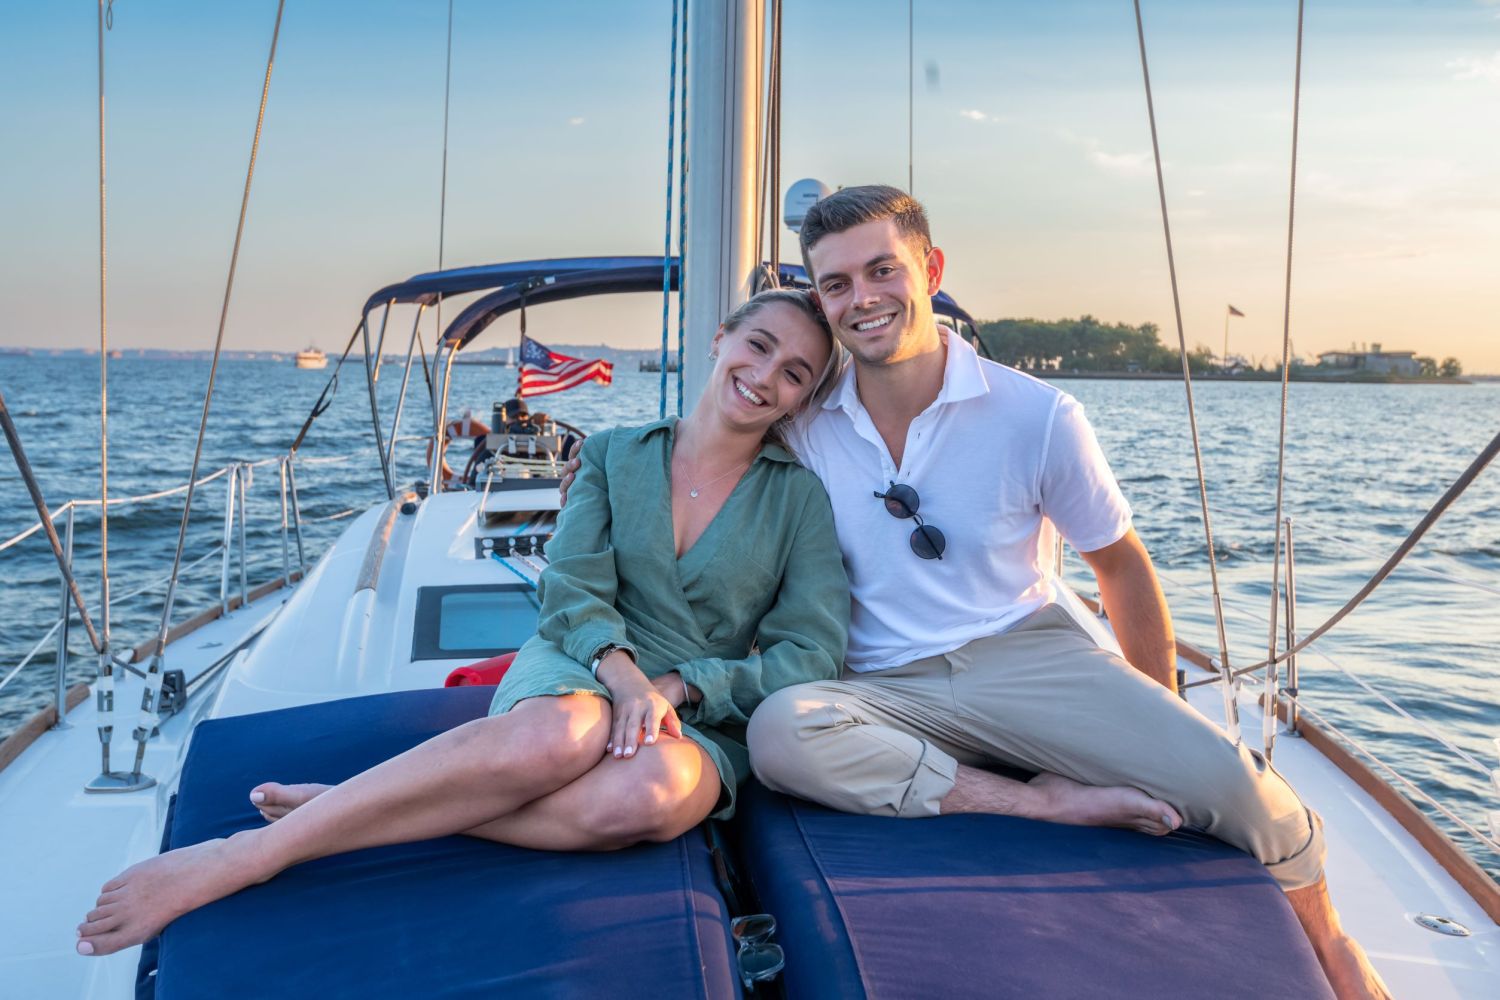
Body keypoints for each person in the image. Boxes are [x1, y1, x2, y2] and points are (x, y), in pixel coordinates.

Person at [739, 186, 1389, 1000]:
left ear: (930, 269)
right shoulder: (802, 425)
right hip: (877, 682)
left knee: (1249, 794)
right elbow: (706, 463)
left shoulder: (1037, 415)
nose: (862, 299)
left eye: (882, 270)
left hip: (1025, 656)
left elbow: (1118, 565)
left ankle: (1332, 950)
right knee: (781, 734)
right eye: (836, 284)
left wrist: (1158, 716)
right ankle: (1041, 803)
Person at [74, 288, 850, 958]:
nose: (765, 377)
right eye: (758, 345)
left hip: (699, 709)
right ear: (721, 340)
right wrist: (621, 677)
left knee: (642, 801)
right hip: (585, 658)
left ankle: (344, 808)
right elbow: (572, 585)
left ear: (803, 398)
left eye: (795, 374)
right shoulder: (613, 454)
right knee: (562, 737)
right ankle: (249, 855)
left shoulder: (800, 501)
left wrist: (677, 689)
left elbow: (810, 652)